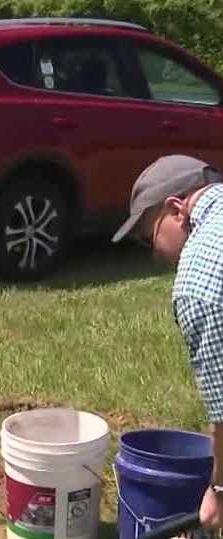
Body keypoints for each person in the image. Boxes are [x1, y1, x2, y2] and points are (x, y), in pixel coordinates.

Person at [112, 154, 223, 530]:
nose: (154, 253)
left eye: (150, 237)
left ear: (176, 209)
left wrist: (219, 490)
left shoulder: (200, 279)